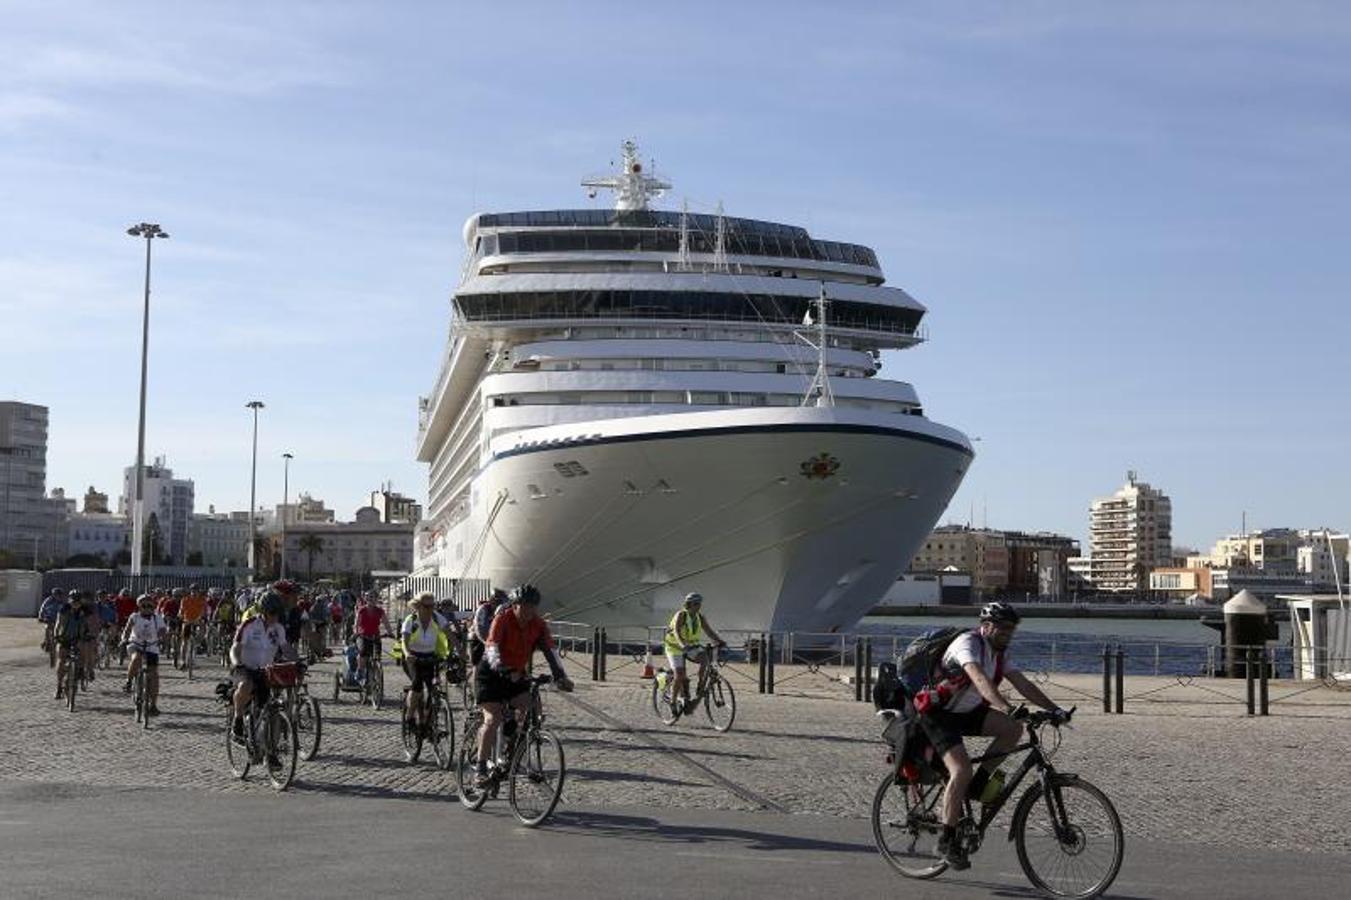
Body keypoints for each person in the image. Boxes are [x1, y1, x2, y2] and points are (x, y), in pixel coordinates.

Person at [922, 601, 1067, 870]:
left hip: (967, 712)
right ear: (986, 627)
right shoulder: (967, 643)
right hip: (939, 714)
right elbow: (979, 680)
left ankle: (980, 783)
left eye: (1012, 630)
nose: (1008, 634)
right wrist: (1006, 707)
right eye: (1004, 629)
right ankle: (945, 840)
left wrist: (1054, 710)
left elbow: (1023, 683)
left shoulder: (998, 654)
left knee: (1013, 729)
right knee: (961, 770)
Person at [474, 584, 573, 784]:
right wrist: (503, 669)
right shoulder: (503, 619)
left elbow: (550, 651)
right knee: (493, 719)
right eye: (525, 606)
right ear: (515, 605)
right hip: (492, 674)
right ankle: (481, 767)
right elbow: (491, 646)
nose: (529, 611)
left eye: (533, 606)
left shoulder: (538, 625)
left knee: (533, 711)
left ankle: (513, 750)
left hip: (517, 674)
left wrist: (561, 676)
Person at [228, 593, 293, 742]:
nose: (275, 616)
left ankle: (271, 751)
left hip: (266, 671)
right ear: (263, 612)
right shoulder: (249, 625)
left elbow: (286, 648)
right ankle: (237, 720)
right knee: (246, 685)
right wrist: (237, 662)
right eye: (272, 612)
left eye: (278, 613)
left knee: (272, 709)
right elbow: (236, 647)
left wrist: (297, 661)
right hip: (245, 668)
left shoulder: (279, 629)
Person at [662, 592, 726, 714]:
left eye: (699, 604)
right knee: (679, 675)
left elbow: (709, 631)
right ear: (688, 604)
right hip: (674, 647)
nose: (698, 606)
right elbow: (676, 632)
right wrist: (682, 644)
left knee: (705, 659)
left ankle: (700, 685)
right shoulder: (681, 615)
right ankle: (673, 701)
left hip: (691, 647)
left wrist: (720, 641)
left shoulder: (699, 617)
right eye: (696, 604)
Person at [399, 593, 451, 729]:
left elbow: (450, 635)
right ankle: (409, 717)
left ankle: (427, 720)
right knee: (417, 685)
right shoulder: (411, 620)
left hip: (430, 657)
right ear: (418, 606)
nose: (430, 609)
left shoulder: (436, 618)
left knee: (432, 688)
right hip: (412, 657)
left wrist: (461, 651)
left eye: (433, 605)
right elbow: (404, 641)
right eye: (427, 606)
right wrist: (407, 653)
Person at [121, 594, 167, 714]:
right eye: (143, 605)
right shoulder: (134, 617)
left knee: (154, 675)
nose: (147, 608)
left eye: (149, 605)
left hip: (151, 647)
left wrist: (162, 637)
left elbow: (162, 630)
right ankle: (129, 682)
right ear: (139, 606)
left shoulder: (157, 618)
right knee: (136, 658)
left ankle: (153, 704)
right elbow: (127, 629)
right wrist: (124, 639)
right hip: (136, 644)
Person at [53, 591, 99, 699]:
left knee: (84, 651)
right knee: (61, 659)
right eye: (73, 601)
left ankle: (81, 670)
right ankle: (59, 686)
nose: (76, 604)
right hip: (64, 637)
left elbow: (92, 624)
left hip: (79, 637)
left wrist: (92, 634)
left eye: (78, 602)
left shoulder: (86, 610)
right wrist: (56, 635)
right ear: (69, 600)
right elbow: (58, 623)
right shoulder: (64, 609)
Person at [353, 594, 392, 685]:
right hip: (363, 636)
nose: (372, 600)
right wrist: (356, 632)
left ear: (376, 599)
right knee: (363, 653)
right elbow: (356, 623)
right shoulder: (361, 610)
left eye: (373, 598)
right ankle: (360, 671)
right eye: (370, 598)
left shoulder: (380, 611)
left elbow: (386, 623)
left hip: (375, 636)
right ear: (366, 599)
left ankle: (376, 673)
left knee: (377, 657)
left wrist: (390, 633)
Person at [470, 588, 508, 667]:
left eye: (502, 602)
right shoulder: (483, 609)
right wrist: (489, 643)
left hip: (492, 638)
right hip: (478, 638)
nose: (499, 604)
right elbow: (480, 628)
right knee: (478, 664)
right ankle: (476, 677)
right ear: (492, 600)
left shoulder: (502, 610)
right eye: (498, 601)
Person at [179, 585, 209, 662]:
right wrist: (181, 616)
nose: (194, 592)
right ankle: (183, 661)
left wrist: (202, 617)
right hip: (187, 621)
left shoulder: (202, 600)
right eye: (193, 590)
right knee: (184, 642)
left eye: (196, 590)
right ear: (190, 591)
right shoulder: (185, 600)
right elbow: (181, 611)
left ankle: (197, 644)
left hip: (197, 621)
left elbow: (204, 611)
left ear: (198, 591)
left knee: (203, 629)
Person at [38, 588, 67, 658]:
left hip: (59, 619)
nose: (58, 596)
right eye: (56, 595)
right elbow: (42, 608)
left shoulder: (63, 602)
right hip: (50, 618)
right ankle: (47, 641)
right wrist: (40, 617)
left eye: (59, 595)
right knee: (47, 628)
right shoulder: (48, 601)